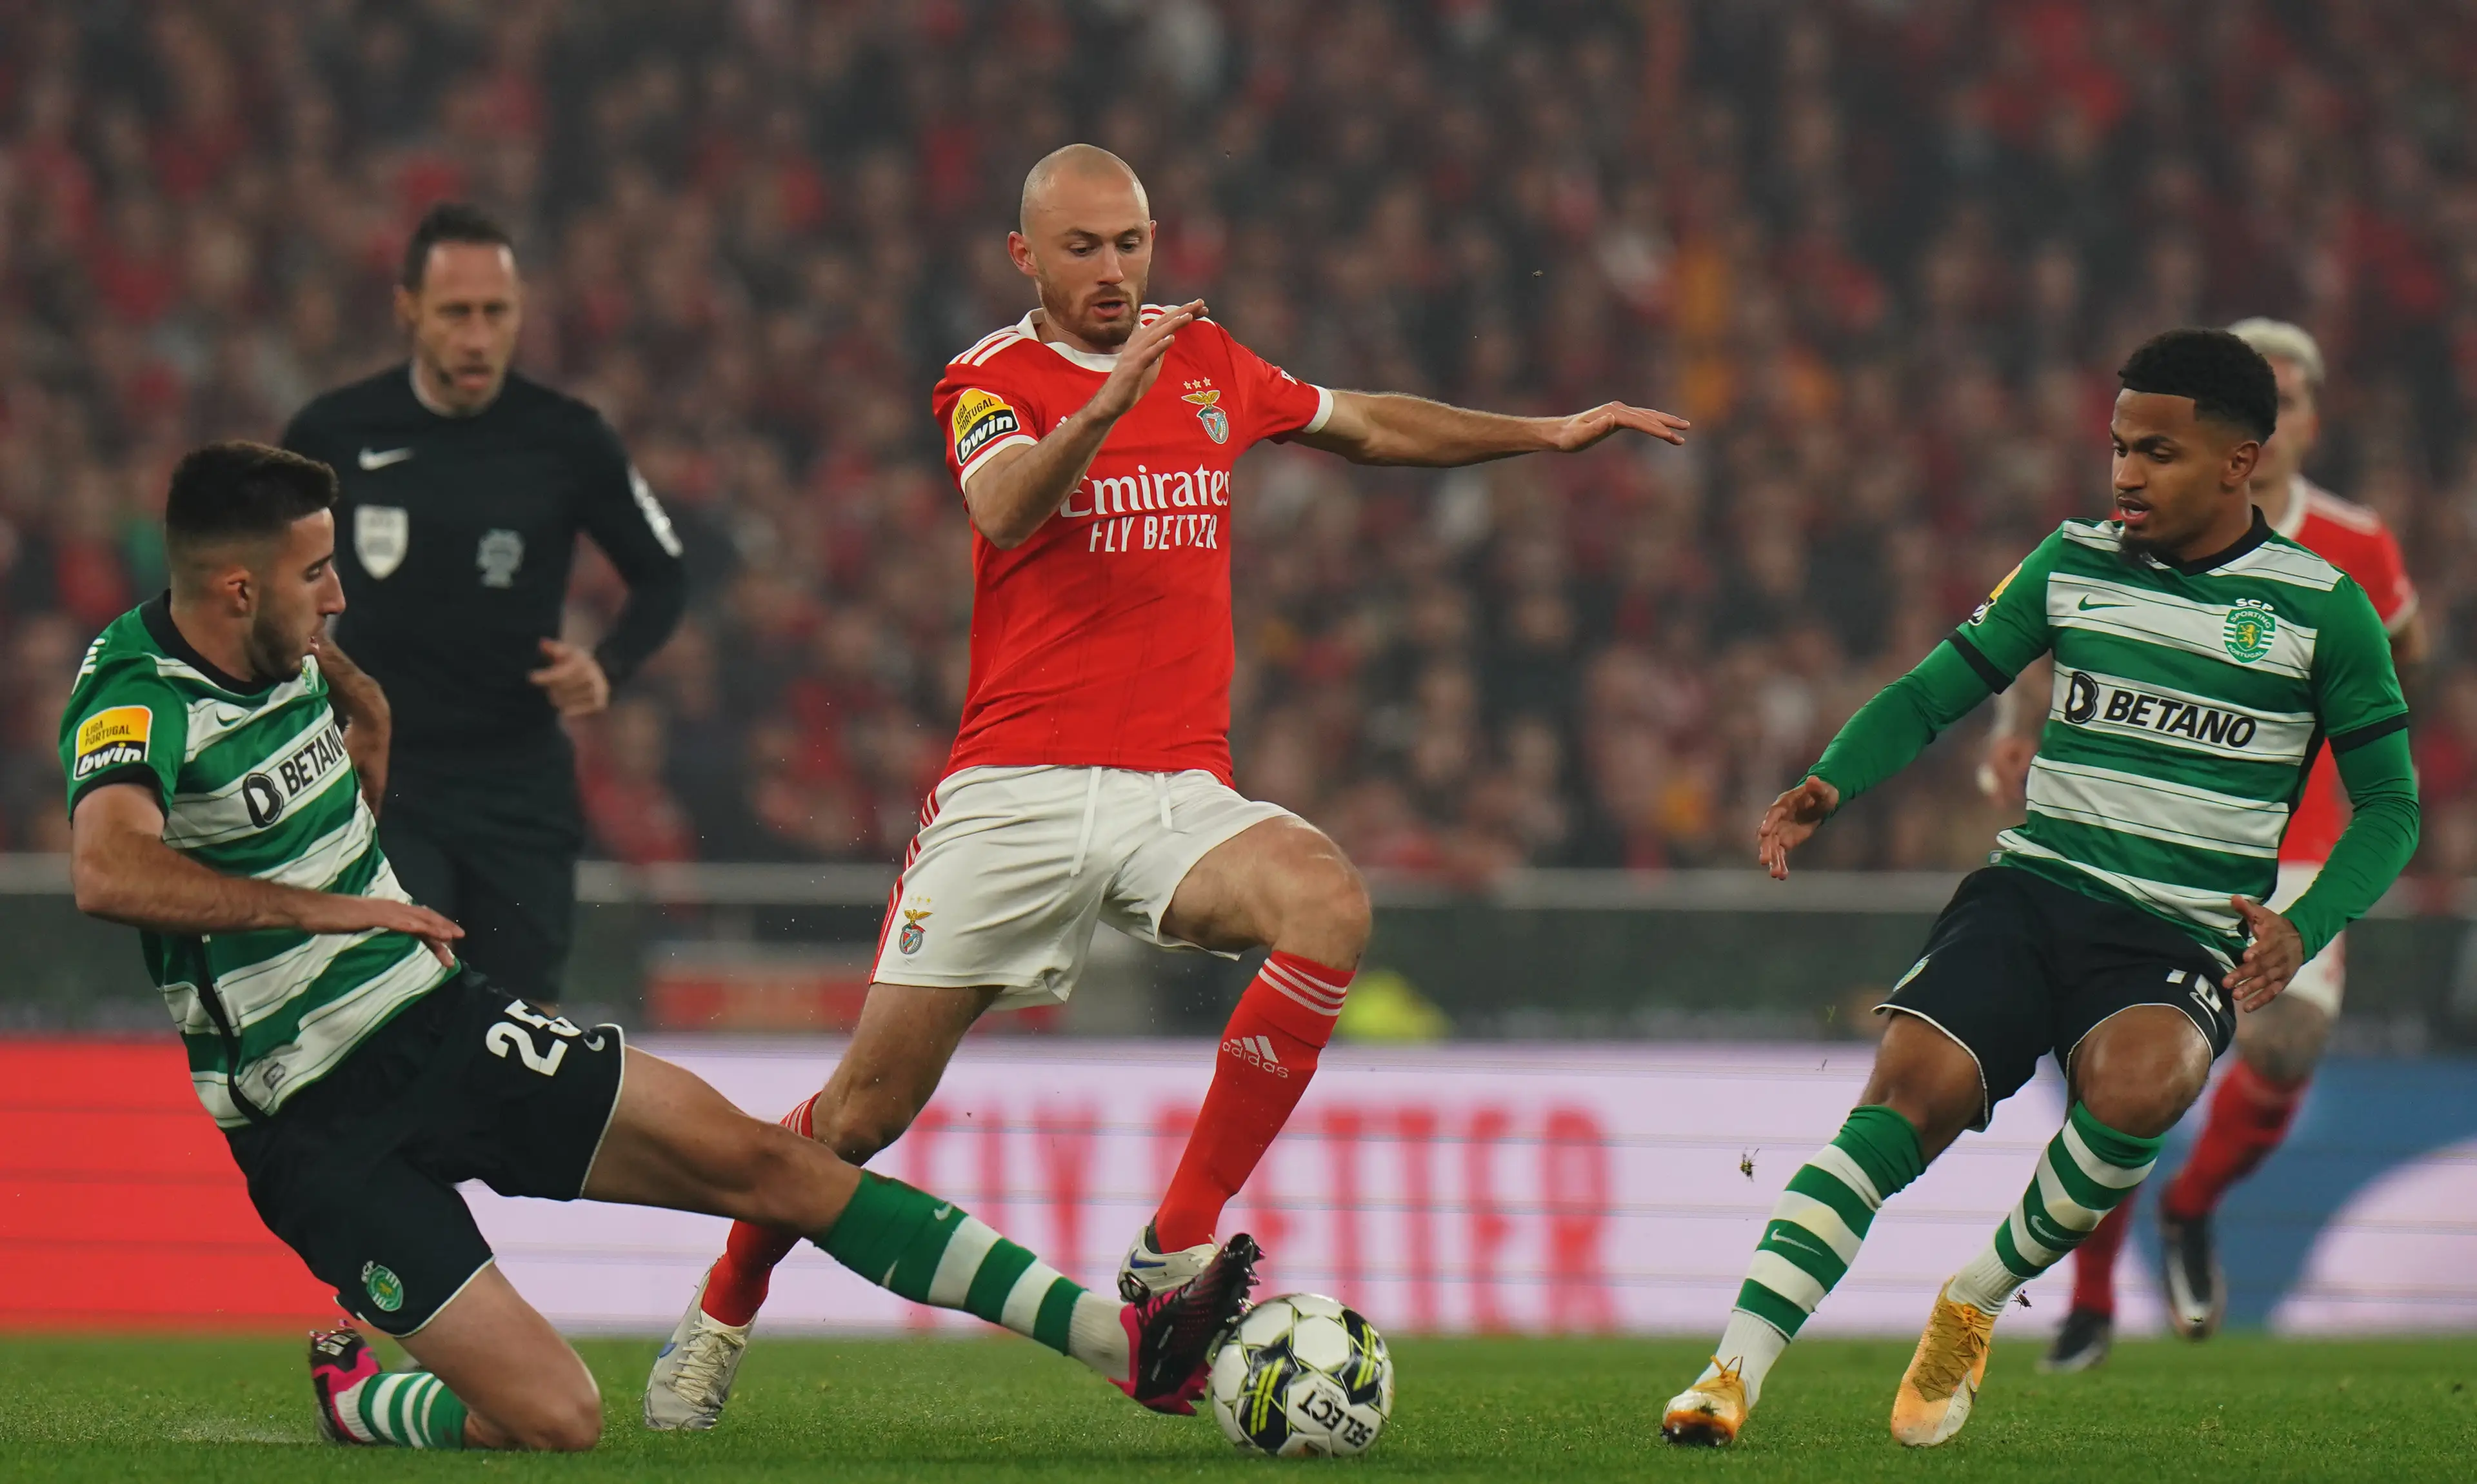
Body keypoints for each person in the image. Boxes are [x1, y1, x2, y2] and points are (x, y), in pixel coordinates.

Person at [643, 143, 1691, 1430]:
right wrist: (1097, 405)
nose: (1113, 270)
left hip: (1171, 789)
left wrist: (1547, 432)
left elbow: (1362, 419)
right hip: (1013, 791)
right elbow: (1005, 512)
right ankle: (722, 1306)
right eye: (1082, 247)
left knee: (1328, 899)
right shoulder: (986, 378)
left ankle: (1175, 1240)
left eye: (1131, 243)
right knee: (859, 1116)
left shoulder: (1207, 358)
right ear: (1025, 255)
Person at [61, 442, 1258, 1452]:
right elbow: (110, 869)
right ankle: (365, 1401)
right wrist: (329, 910)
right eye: (315, 574)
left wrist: (368, 731)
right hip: (312, 1123)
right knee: (558, 1418)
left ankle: (1124, 1344)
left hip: (434, 1018)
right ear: (232, 589)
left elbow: (338, 773)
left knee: (767, 1162)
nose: (334, 597)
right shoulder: (135, 694)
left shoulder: (297, 655)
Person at [1660, 329, 2417, 1450]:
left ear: (2238, 461)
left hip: (2176, 931)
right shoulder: (2072, 561)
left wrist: (2305, 927)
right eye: (2117, 447)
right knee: (1901, 1097)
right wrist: (1833, 779)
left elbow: (2393, 809)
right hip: (2035, 892)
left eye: (2156, 451)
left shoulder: (2323, 609)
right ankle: (1729, 1374)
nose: (2124, 474)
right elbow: (1935, 689)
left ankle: (1972, 1299)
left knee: (2145, 1083)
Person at [1982, 320, 2427, 1369]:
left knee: (2286, 1045)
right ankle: (2090, 1302)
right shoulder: (2150, 520)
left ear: (2305, 421)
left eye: (2290, 399)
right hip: (2158, 835)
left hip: (2303, 841)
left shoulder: (2358, 544)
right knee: (2123, 1073)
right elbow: (2064, 624)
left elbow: (2404, 653)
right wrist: (2011, 733)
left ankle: (2190, 1208)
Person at [280, 202, 686, 1008]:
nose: (476, 336)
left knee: (520, 1029)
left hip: (519, 785)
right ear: (409, 311)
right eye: (455, 313)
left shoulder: (567, 439)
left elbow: (663, 574)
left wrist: (607, 666)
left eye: (495, 313)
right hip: (382, 778)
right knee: (396, 1010)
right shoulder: (334, 431)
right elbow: (260, 574)